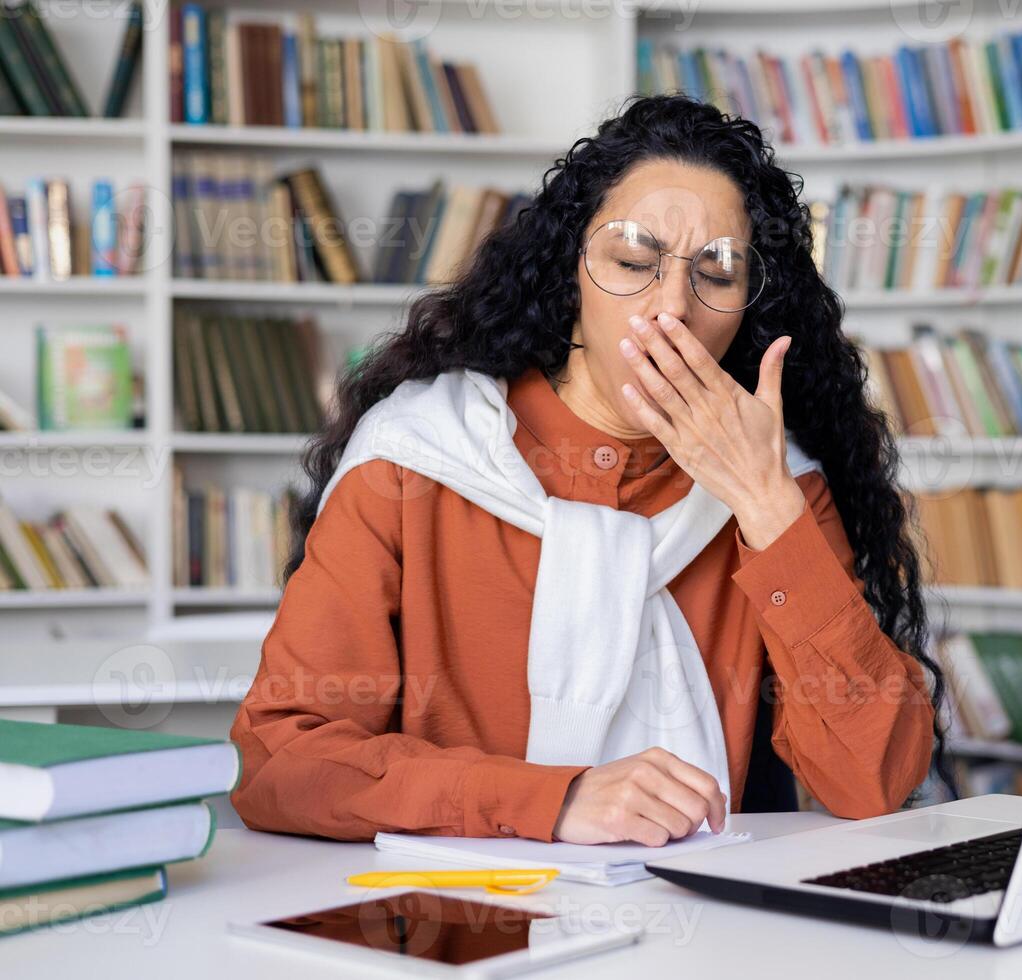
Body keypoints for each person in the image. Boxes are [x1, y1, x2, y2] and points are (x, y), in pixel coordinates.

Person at [228, 93, 950, 848]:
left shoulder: (776, 482)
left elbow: (873, 779)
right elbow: (280, 759)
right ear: (569, 273)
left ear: (751, 307)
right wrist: (553, 800)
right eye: (633, 262)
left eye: (719, 273)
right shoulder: (412, 458)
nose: (673, 308)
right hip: (460, 942)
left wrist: (768, 509)